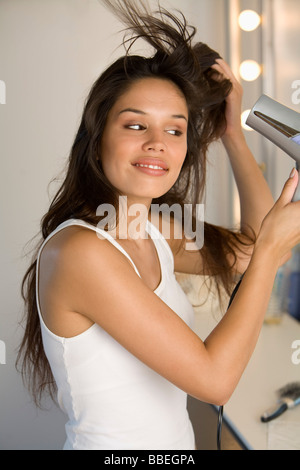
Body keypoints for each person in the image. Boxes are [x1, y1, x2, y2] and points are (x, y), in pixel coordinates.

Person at [17, 0, 300, 450]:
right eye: (135, 125)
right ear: (96, 140)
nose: (157, 144)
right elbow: (214, 381)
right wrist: (268, 249)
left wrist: (232, 134)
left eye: (175, 130)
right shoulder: (79, 253)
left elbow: (253, 246)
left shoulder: (153, 227)